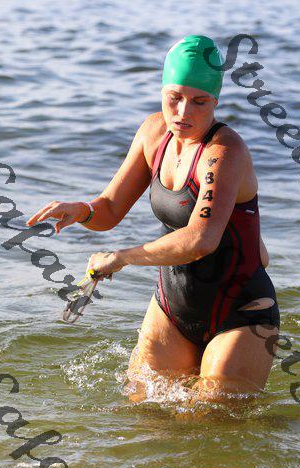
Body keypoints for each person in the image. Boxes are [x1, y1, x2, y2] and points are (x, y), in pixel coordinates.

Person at [26, 35, 280, 398]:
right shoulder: (154, 134)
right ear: (162, 90)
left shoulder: (224, 152)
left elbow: (201, 239)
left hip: (241, 312)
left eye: (199, 101)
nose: (183, 112)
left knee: (213, 423)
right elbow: (110, 208)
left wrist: (122, 257)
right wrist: (83, 210)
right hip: (172, 307)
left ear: (216, 101)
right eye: (174, 97)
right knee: (141, 414)